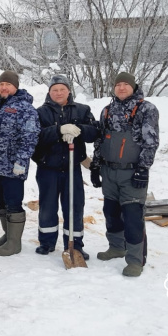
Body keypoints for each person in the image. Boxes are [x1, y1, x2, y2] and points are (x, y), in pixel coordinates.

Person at [90, 72, 159, 277]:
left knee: (132, 217)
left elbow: (151, 142)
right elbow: (100, 140)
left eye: (125, 84)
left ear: (133, 86)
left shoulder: (146, 109)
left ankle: (136, 260)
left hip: (131, 172)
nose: (121, 88)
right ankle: (117, 247)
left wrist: (143, 169)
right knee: (111, 212)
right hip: (109, 171)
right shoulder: (107, 110)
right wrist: (95, 166)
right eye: (118, 84)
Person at [31, 75, 98, 259]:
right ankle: (46, 242)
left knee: (74, 206)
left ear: (69, 90)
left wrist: (79, 130)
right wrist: (59, 130)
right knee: (48, 206)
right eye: (55, 90)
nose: (58, 93)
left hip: (72, 168)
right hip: (47, 168)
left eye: (62, 89)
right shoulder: (40, 112)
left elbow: (94, 132)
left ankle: (75, 244)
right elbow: (35, 136)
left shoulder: (82, 110)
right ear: (49, 92)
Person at [0, 71, 40, 256]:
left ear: (16, 86)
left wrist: (21, 161)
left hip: (13, 167)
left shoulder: (25, 108)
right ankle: (7, 235)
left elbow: (30, 137)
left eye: (8, 84)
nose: (4, 87)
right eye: (1, 84)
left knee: (13, 203)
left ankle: (15, 243)